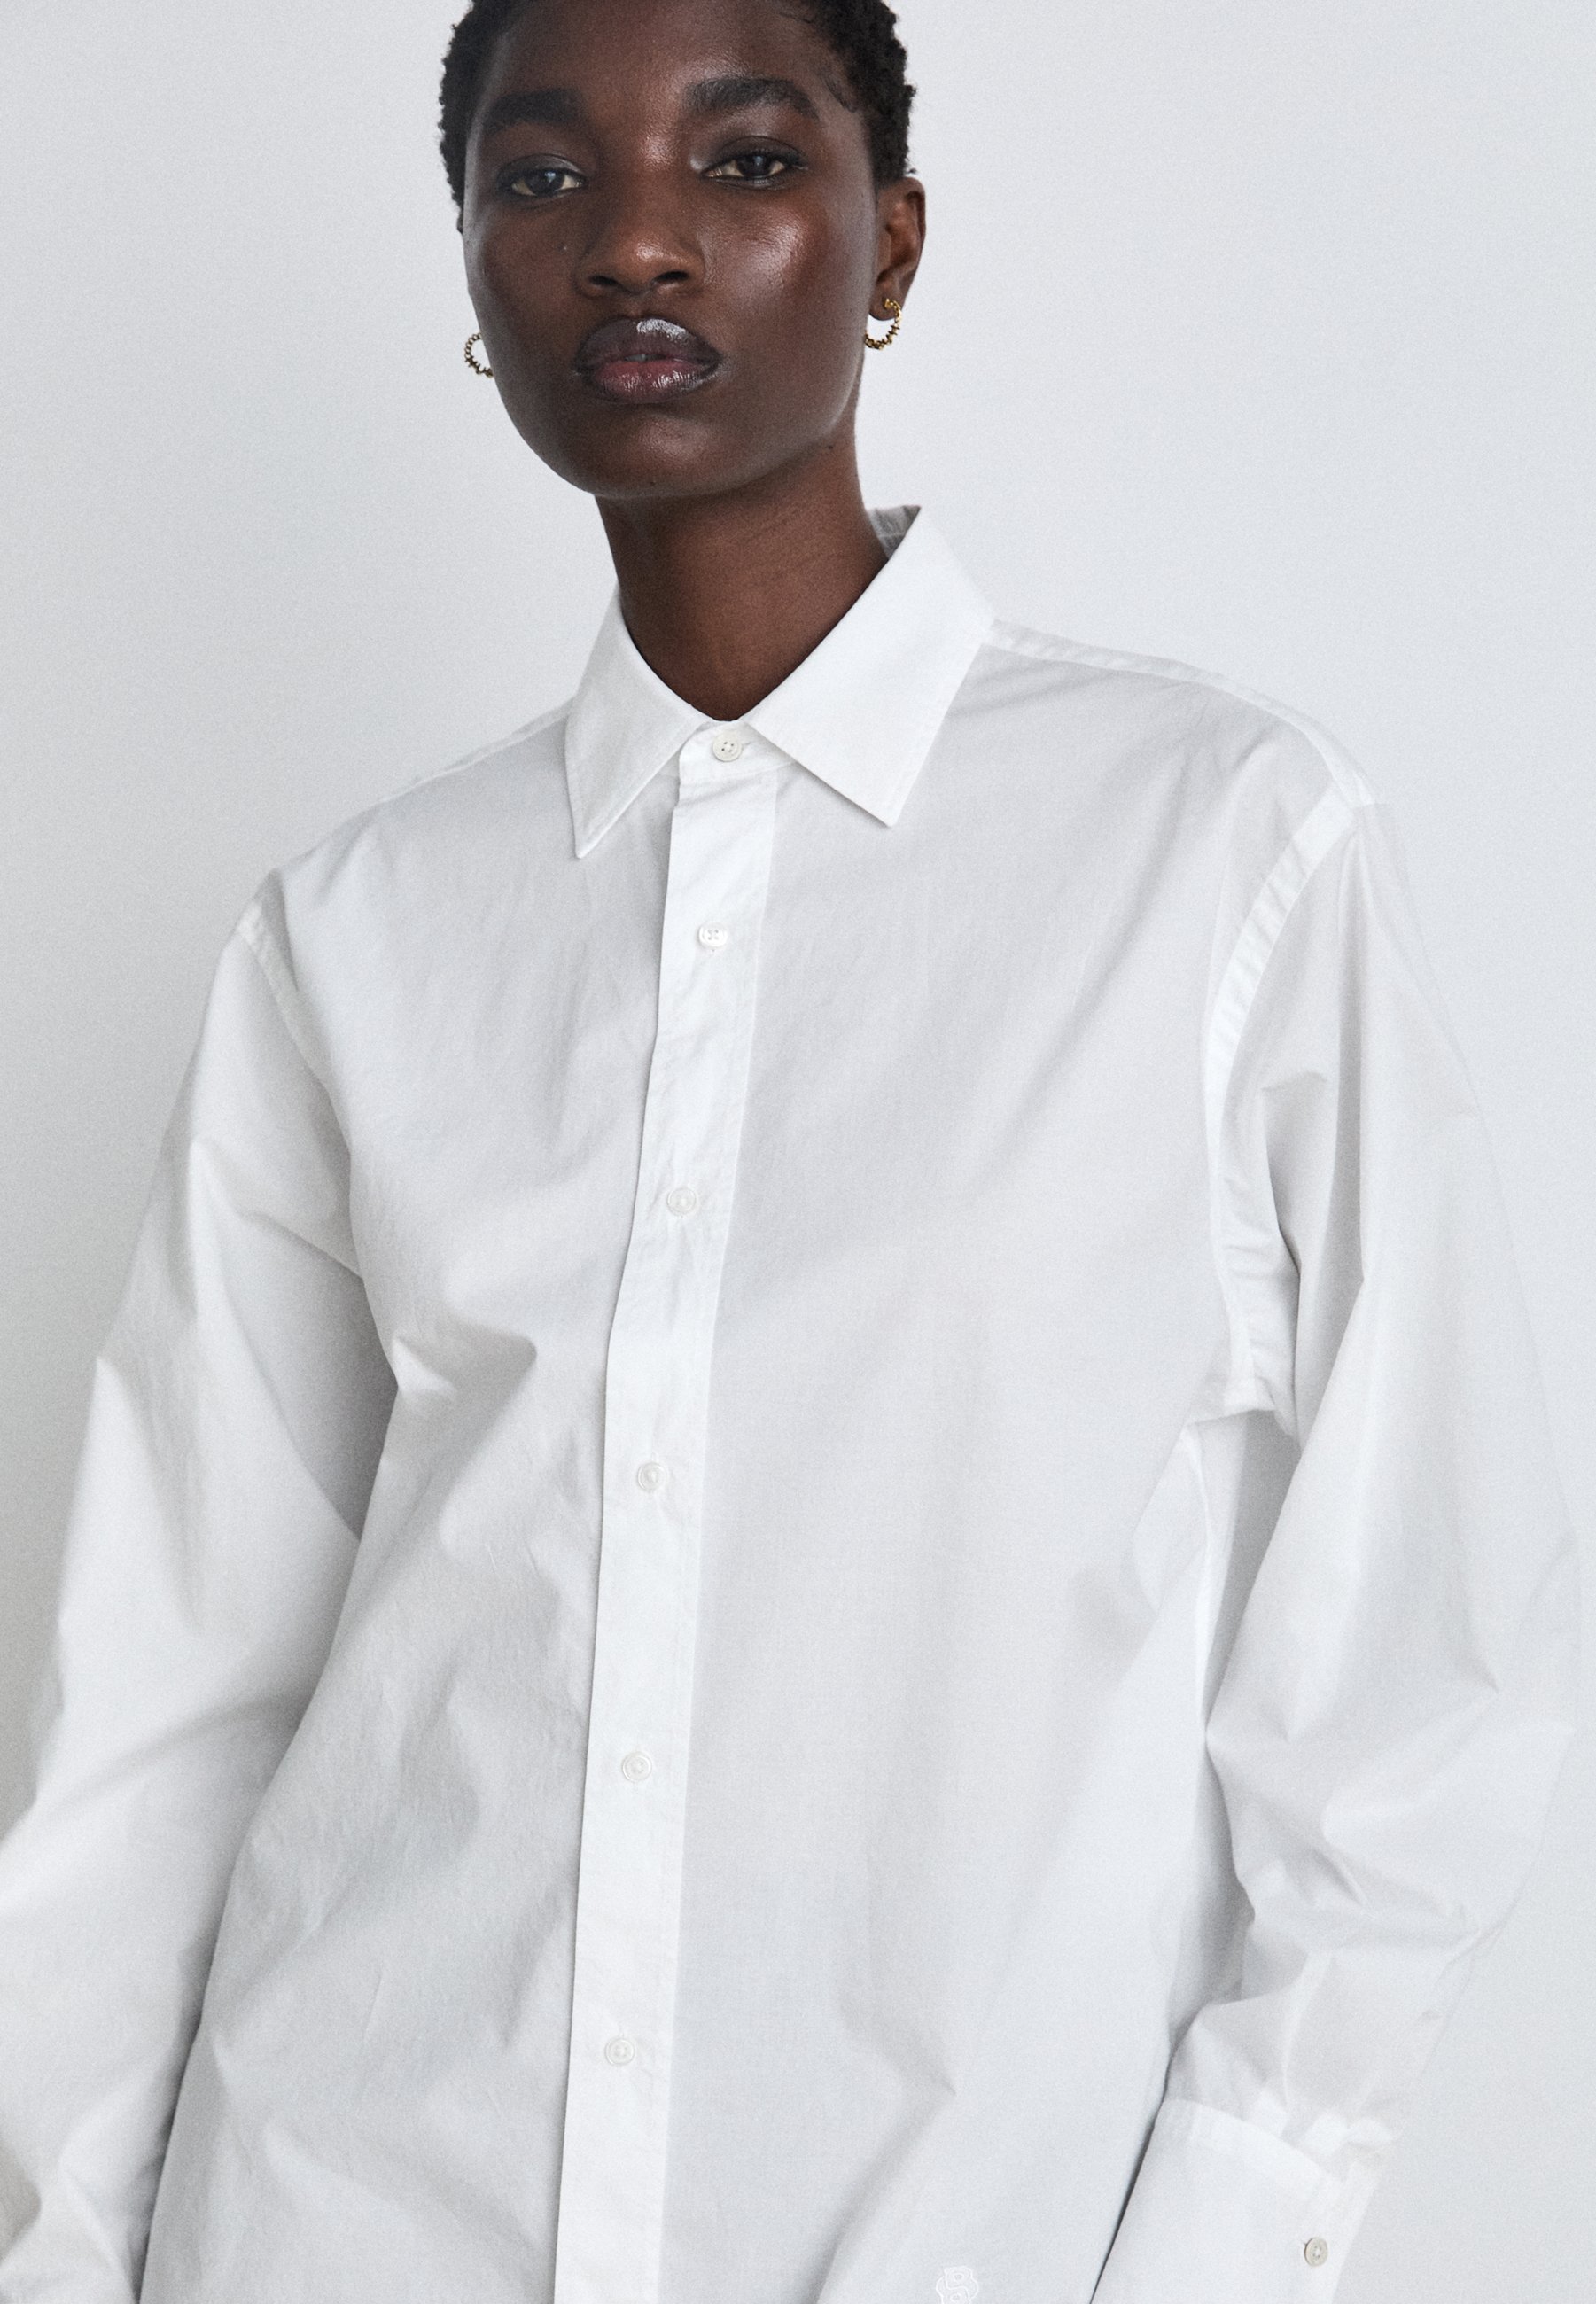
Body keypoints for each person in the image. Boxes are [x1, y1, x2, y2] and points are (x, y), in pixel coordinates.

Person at [0, 1, 1578, 2300]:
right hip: (347, 2217)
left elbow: (1420, 1658)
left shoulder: (1216, 851)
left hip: (945, 2241)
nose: (634, 240)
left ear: (889, 241)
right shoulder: (359, 937)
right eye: (542, 178)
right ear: (474, 273)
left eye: (741, 161)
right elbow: (168, 1703)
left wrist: (1223, 2241)